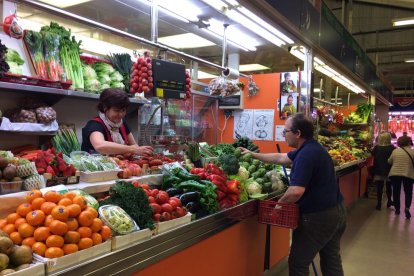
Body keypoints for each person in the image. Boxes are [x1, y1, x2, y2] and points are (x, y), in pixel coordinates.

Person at [240, 113, 346, 275]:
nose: (284, 135)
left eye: (286, 132)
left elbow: (295, 191)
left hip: (318, 218)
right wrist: (252, 154)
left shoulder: (306, 155)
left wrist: (277, 206)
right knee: (331, 260)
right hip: (336, 212)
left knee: (298, 263)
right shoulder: (312, 147)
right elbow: (280, 158)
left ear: (297, 134)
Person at [81, 88, 154, 156]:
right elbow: (100, 146)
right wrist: (132, 149)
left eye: (123, 110)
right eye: (117, 110)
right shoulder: (94, 125)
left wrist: (140, 151)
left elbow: (134, 146)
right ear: (105, 107)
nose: (121, 114)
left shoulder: (122, 123)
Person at [388, 135, 414, 219]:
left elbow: (389, 161)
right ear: (409, 142)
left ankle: (397, 209)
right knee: (408, 192)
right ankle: (407, 208)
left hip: (395, 174)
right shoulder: (412, 152)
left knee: (396, 191)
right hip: (408, 174)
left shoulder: (395, 151)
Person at [371, 132, 395, 210]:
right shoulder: (392, 148)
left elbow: (372, 154)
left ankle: (379, 204)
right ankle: (389, 201)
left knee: (379, 187)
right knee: (389, 187)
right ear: (389, 139)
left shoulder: (376, 148)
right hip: (389, 170)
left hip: (378, 170)